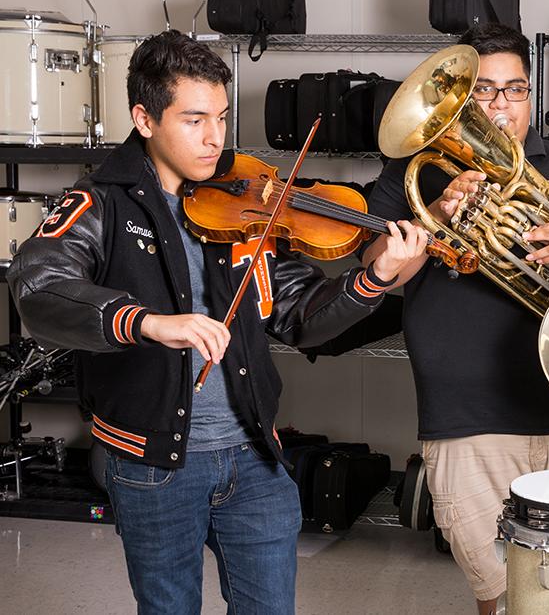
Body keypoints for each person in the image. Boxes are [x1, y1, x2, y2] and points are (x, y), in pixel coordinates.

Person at [6, 30, 427, 614]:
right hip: (152, 463)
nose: (214, 139)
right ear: (144, 119)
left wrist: (375, 279)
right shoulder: (100, 202)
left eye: (222, 119)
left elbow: (299, 319)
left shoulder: (245, 199)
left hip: (253, 455)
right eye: (194, 119)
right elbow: (38, 288)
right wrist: (146, 322)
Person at [362, 23, 549, 615]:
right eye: (484, 92)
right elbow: (377, 267)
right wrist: (439, 215)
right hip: (468, 422)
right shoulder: (415, 174)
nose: (500, 106)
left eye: (515, 90)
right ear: (460, 102)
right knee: (503, 596)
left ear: (530, 96)